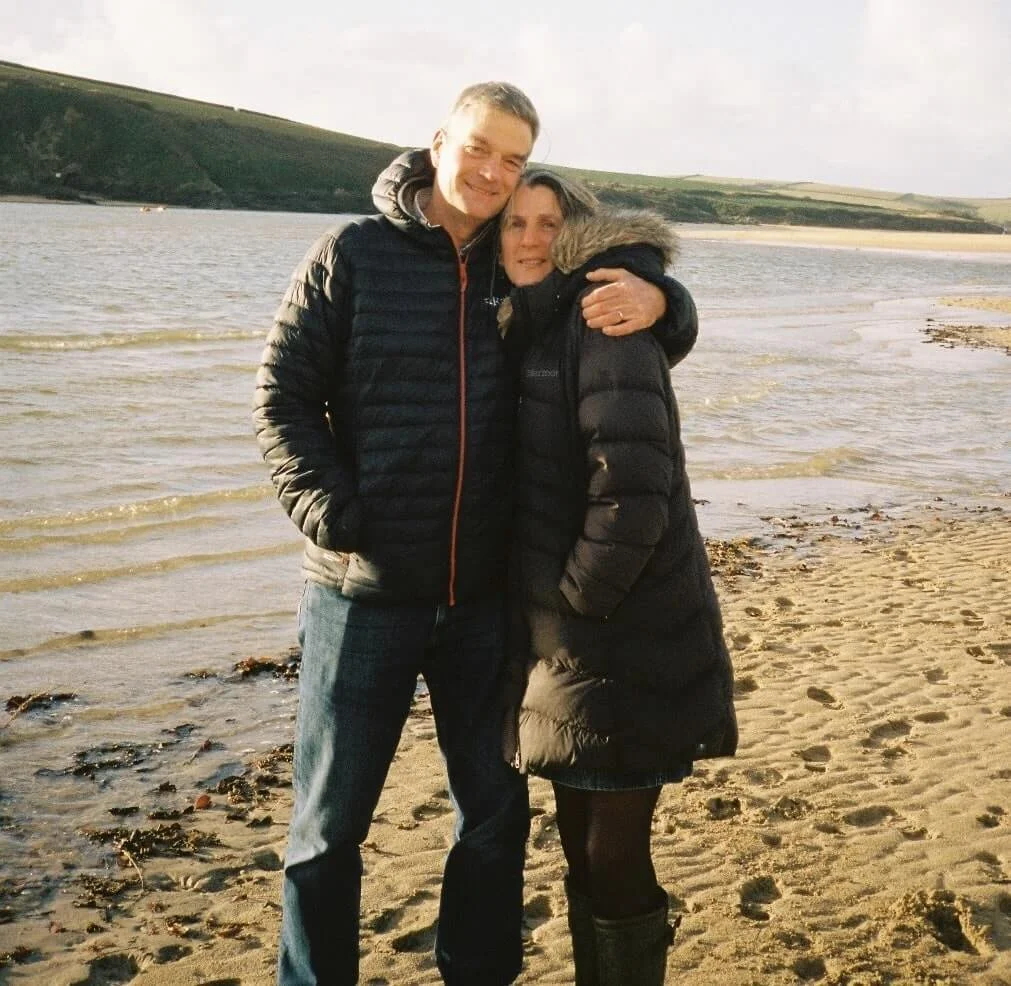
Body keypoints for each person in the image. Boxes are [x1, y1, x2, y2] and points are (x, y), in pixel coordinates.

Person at [253, 81, 700, 986]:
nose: (494, 173)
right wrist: (333, 512)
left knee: (493, 821)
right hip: (362, 593)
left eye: (513, 158)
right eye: (478, 149)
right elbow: (281, 398)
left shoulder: (517, 264)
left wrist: (664, 298)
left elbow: (613, 286)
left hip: (485, 605)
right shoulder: (352, 254)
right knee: (327, 831)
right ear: (437, 144)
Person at [498, 169, 738, 986]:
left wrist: (576, 602)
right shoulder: (530, 322)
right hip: (572, 639)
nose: (530, 239)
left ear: (577, 233)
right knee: (581, 843)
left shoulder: (603, 318)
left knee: (611, 851)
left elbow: (633, 494)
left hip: (623, 634)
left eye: (547, 222)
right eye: (513, 223)